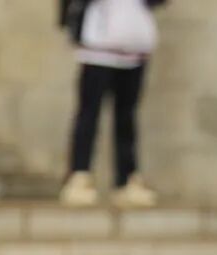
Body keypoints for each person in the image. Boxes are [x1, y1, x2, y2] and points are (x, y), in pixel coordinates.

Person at [58, 0, 165, 208]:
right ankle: (79, 174)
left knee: (127, 116)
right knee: (89, 114)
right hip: (98, 46)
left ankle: (126, 178)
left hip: (135, 44)